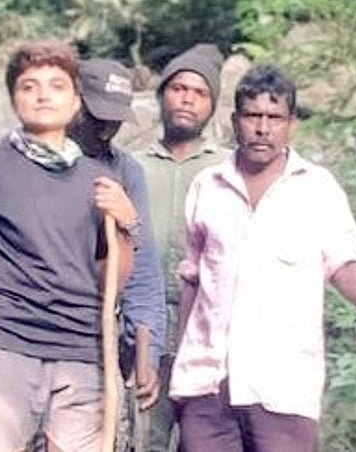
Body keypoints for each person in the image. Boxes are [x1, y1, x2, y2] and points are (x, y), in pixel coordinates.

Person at [169, 64, 356, 452]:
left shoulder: (317, 190)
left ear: (291, 124)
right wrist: (179, 372)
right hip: (207, 389)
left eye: (274, 118)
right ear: (234, 120)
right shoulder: (207, 186)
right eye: (252, 116)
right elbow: (193, 282)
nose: (262, 128)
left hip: (283, 389)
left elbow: (343, 262)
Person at [0, 42, 139, 452]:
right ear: (14, 99)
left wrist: (125, 224)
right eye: (29, 86)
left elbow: (111, 282)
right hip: (2, 340)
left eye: (56, 86)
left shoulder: (101, 180)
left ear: (76, 101)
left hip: (80, 348)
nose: (43, 95)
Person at [132, 44, 229, 451]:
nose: (187, 98)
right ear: (161, 96)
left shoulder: (228, 170)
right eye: (178, 88)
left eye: (200, 92)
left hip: (208, 334)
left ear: (213, 105)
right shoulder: (132, 166)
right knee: (144, 439)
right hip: (143, 333)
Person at [67, 59, 165, 407]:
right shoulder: (26, 161)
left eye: (116, 120)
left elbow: (143, 269)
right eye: (96, 117)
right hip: (24, 332)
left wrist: (147, 352)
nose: (107, 131)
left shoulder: (125, 171)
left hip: (93, 336)